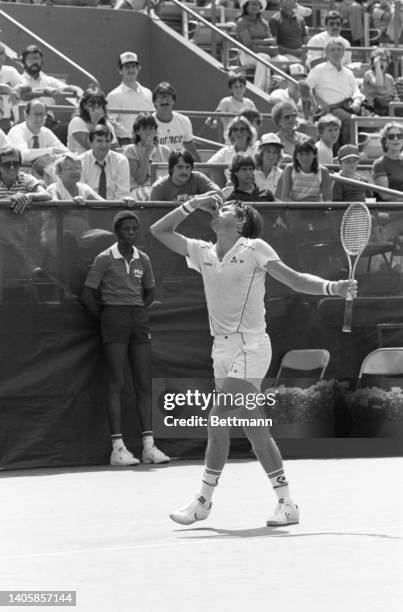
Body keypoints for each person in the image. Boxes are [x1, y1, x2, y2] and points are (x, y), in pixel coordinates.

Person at [150, 195, 356, 526]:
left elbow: (294, 279)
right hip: (221, 349)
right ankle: (287, 503)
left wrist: (333, 287)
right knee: (255, 427)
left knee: (218, 417)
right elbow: (160, 230)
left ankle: (203, 500)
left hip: (252, 348)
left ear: (241, 222)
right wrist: (193, 204)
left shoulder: (254, 248)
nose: (218, 209)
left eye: (226, 208)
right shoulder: (201, 250)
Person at [81, 210, 170, 466]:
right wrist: (107, 316)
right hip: (114, 318)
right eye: (126, 229)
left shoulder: (144, 259)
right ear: (117, 232)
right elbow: (88, 295)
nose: (131, 233)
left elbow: (150, 292)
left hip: (138, 320)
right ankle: (118, 449)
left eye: (134, 229)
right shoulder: (104, 258)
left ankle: (148, 447)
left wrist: (137, 310)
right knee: (117, 382)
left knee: (143, 383)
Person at [0, 146, 51, 300]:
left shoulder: (26, 179)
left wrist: (29, 196)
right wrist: (7, 202)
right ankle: (28, 264)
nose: (11, 167)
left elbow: (46, 194)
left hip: (24, 233)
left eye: (15, 163)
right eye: (6, 164)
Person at [306, 38, 364, 145]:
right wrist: (321, 103)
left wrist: (357, 102)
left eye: (339, 49)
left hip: (348, 107)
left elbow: (356, 91)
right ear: (326, 53)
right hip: (330, 109)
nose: (336, 52)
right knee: (352, 120)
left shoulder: (348, 73)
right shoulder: (319, 70)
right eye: (332, 49)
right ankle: (348, 149)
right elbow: (308, 89)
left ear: (343, 53)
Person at [235, 0, 286, 92]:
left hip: (263, 51)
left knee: (284, 60)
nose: (254, 6)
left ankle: (279, 89)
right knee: (264, 58)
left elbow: (272, 41)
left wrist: (260, 43)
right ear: (246, 7)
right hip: (247, 55)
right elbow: (248, 43)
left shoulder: (264, 22)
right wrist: (265, 42)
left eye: (257, 4)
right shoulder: (241, 22)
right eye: (251, 4)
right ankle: (259, 90)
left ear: (260, 8)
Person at [106, 52, 154, 146]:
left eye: (133, 66)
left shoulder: (148, 93)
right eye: (127, 67)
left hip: (148, 142)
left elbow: (153, 117)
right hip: (125, 143)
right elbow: (111, 123)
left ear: (138, 68)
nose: (131, 70)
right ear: (120, 71)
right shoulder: (113, 95)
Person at [7, 100, 67, 174]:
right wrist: (51, 151)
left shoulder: (46, 132)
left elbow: (66, 152)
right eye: (35, 114)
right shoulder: (16, 131)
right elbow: (24, 155)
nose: (39, 119)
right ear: (26, 116)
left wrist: (51, 157)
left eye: (42, 114)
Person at [124, 112, 170, 201]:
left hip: (162, 189)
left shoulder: (165, 151)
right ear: (137, 131)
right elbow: (140, 180)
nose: (148, 132)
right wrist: (147, 152)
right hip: (138, 190)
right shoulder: (130, 150)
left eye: (151, 128)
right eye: (144, 129)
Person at [152, 82, 201, 161]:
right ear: (154, 102)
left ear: (173, 101)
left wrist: (201, 167)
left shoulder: (184, 121)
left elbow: (191, 148)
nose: (164, 100)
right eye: (160, 97)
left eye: (168, 97)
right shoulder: (149, 122)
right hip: (156, 167)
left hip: (179, 167)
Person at [149, 149, 221, 202]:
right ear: (171, 168)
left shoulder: (198, 178)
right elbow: (151, 215)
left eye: (187, 167)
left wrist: (193, 199)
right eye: (180, 167)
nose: (184, 171)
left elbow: (219, 194)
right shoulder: (158, 187)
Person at [207, 116, 257, 187]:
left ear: (248, 133)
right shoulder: (226, 151)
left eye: (242, 129)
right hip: (231, 192)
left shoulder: (256, 150)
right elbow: (209, 166)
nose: (239, 132)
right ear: (231, 134)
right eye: (235, 130)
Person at [206, 73, 257, 143]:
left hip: (247, 141)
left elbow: (256, 122)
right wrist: (212, 120)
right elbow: (213, 118)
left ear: (245, 88)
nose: (239, 89)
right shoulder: (226, 102)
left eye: (241, 86)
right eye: (235, 87)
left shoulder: (249, 103)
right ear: (230, 89)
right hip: (231, 142)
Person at [67, 88, 118, 155]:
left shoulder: (107, 125)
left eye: (99, 103)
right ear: (84, 105)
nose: (96, 106)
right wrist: (95, 121)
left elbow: (114, 149)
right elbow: (90, 147)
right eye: (92, 103)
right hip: (79, 162)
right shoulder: (77, 122)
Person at [0, 42, 30, 133]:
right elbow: (4, 88)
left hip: (7, 124)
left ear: (5, 56)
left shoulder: (10, 71)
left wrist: (18, 88)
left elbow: (27, 86)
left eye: (1, 53)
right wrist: (4, 88)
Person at [362, 47, 395, 116]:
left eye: (384, 60)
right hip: (372, 110)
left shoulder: (389, 78)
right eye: (379, 60)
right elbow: (379, 84)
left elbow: (392, 96)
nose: (381, 62)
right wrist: (377, 66)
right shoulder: (369, 74)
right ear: (373, 62)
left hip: (388, 110)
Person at [254, 132, 283, 197]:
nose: (271, 156)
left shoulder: (281, 175)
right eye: (268, 151)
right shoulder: (251, 172)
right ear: (261, 153)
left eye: (275, 152)